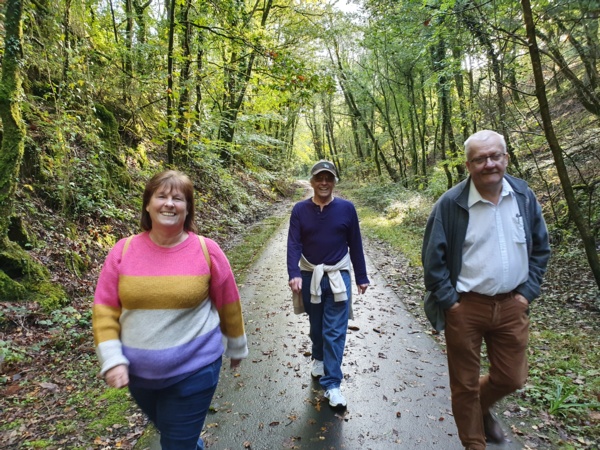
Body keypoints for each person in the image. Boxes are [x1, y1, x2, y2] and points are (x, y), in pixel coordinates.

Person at [92, 170, 248, 450]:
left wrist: (236, 345)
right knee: (177, 436)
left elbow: (228, 302)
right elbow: (105, 310)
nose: (169, 203)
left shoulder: (206, 251)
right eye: (161, 196)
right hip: (139, 377)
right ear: (147, 204)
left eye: (178, 198)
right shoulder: (122, 251)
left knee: (176, 443)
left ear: (187, 209)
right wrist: (112, 358)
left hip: (195, 370)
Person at [422, 130, 550, 449]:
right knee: (464, 385)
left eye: (495, 156)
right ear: (468, 165)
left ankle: (479, 408)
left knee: (512, 378)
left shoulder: (523, 195)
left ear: (506, 158)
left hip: (512, 305)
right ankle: (474, 443)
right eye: (480, 159)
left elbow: (541, 248)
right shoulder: (451, 204)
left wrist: (526, 294)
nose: (488, 164)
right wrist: (450, 303)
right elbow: (432, 259)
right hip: (466, 306)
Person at [287, 160, 370, 409]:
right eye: (319, 178)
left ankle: (332, 385)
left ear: (334, 182)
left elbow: (355, 243)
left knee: (334, 331)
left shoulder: (347, 209)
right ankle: (319, 357)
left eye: (329, 178)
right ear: (311, 181)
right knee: (316, 326)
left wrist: (361, 276)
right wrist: (294, 273)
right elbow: (294, 244)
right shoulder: (300, 210)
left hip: (338, 276)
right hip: (310, 274)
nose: (324, 183)